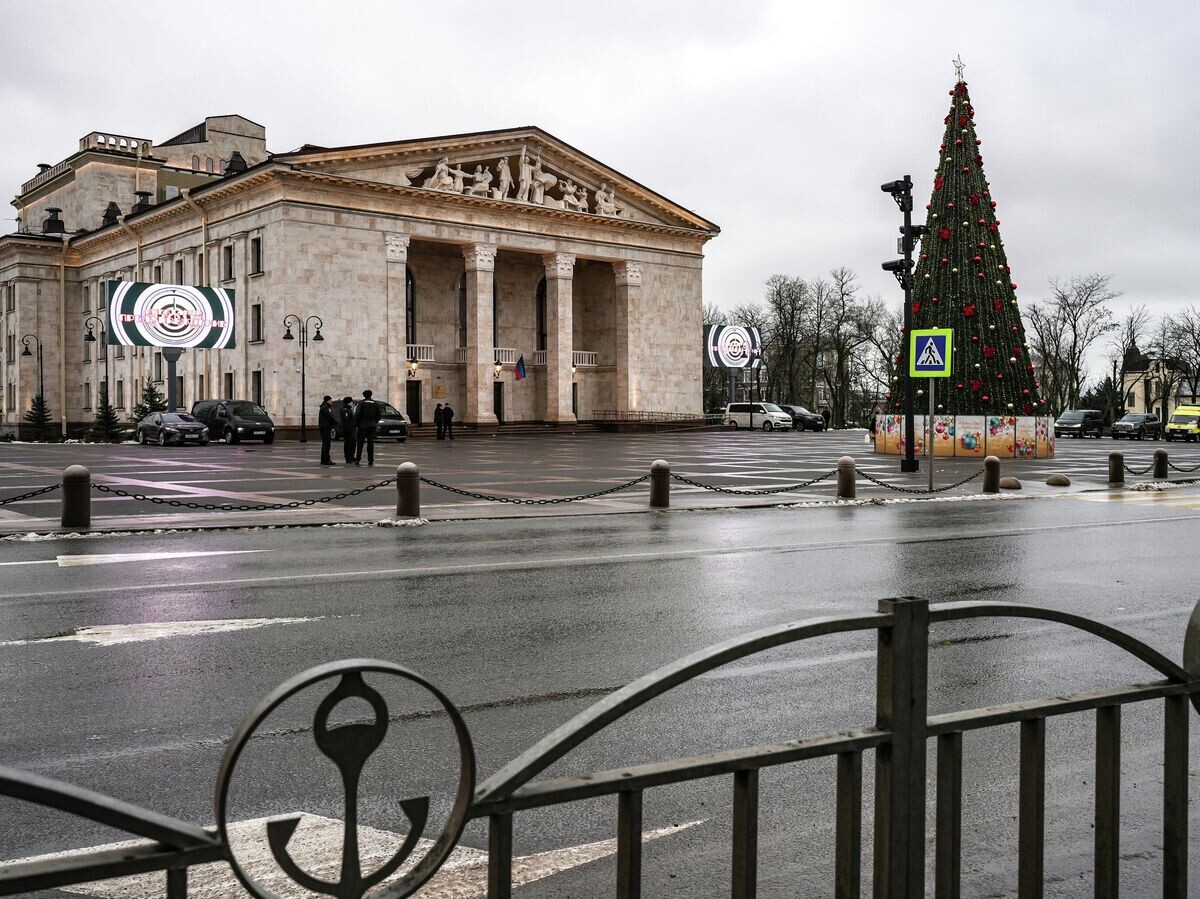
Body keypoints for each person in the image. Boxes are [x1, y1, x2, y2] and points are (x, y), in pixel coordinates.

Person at [354, 389, 381, 465]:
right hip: (372, 425)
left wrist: (357, 423)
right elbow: (379, 415)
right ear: (371, 395)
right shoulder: (375, 403)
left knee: (360, 443)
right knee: (370, 442)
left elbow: (357, 414)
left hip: (362, 425)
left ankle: (358, 459)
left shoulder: (361, 403)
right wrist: (375, 422)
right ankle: (371, 460)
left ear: (364, 395)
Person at [317, 395, 336, 465]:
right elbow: (329, 417)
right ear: (327, 401)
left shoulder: (325, 407)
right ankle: (326, 460)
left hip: (325, 428)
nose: (332, 401)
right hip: (325, 428)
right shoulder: (325, 408)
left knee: (325, 444)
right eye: (331, 400)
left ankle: (323, 460)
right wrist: (335, 422)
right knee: (327, 444)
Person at [339, 396, 357, 463]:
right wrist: (349, 428)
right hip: (348, 430)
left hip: (352, 429)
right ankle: (348, 458)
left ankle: (351, 456)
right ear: (348, 402)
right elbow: (345, 420)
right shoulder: (344, 409)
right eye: (351, 401)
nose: (352, 402)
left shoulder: (350, 409)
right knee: (348, 444)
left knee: (353, 443)